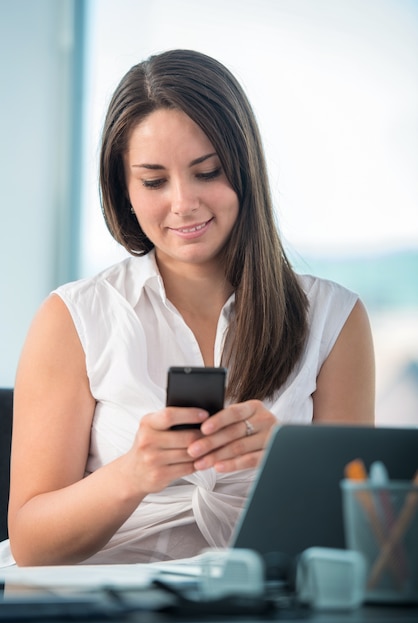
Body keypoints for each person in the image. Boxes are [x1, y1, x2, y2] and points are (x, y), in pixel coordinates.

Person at [2, 49, 374, 568]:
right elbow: (31, 543)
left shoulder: (334, 318)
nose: (183, 203)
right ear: (124, 191)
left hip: (261, 601)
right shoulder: (76, 317)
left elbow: (361, 536)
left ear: (244, 170)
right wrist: (132, 474)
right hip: (107, 598)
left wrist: (290, 465)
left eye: (207, 172)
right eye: (154, 181)